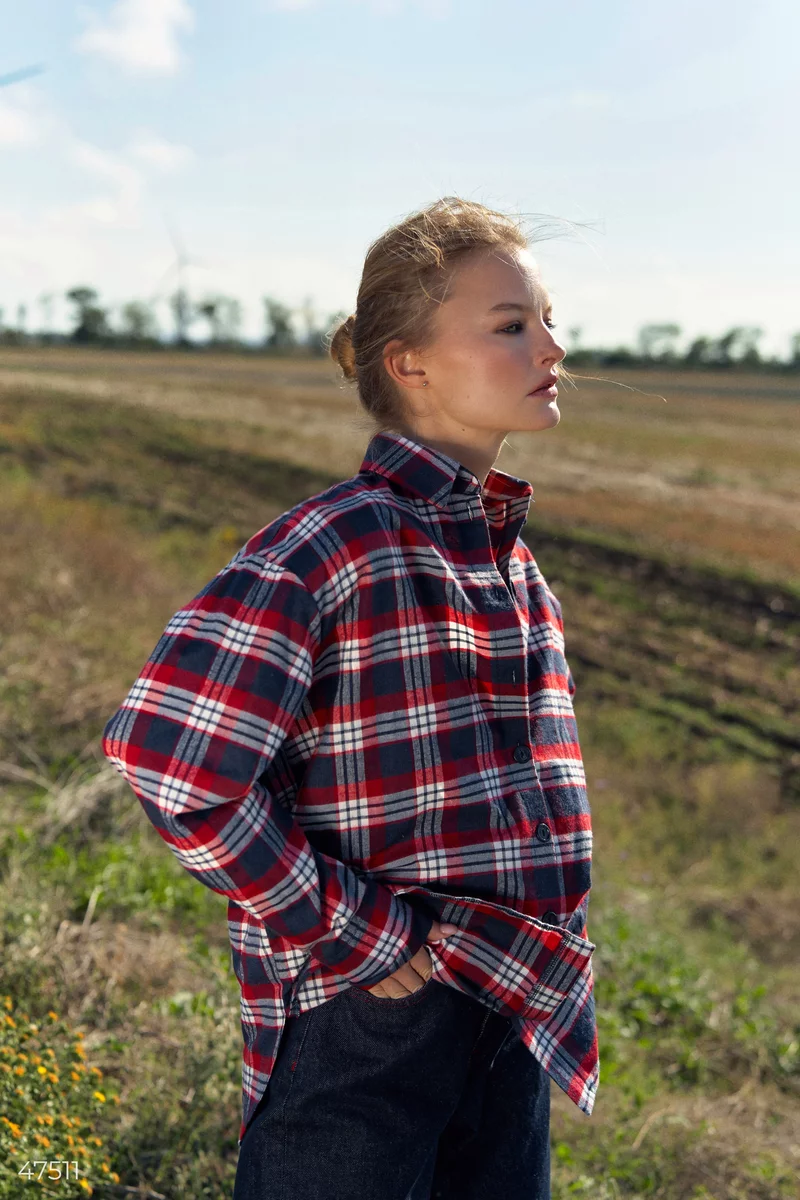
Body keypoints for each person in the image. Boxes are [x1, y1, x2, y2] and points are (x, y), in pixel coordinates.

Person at [101, 196, 597, 1200]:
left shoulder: (510, 566)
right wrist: (356, 933)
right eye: (509, 324)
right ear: (407, 362)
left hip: (504, 997)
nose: (550, 345)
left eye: (548, 318)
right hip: (373, 1013)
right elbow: (168, 759)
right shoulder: (330, 545)